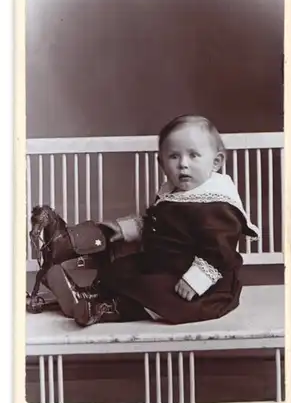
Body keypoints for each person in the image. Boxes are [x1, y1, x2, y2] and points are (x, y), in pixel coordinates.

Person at [72, 114, 259, 326]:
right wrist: (123, 230)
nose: (183, 165)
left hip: (203, 282)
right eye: (174, 157)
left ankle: (114, 308)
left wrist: (195, 281)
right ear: (161, 163)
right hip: (165, 264)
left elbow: (220, 251)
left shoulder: (217, 204)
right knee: (120, 269)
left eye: (193, 155)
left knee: (159, 292)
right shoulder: (173, 192)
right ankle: (89, 297)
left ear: (216, 162)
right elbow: (157, 222)